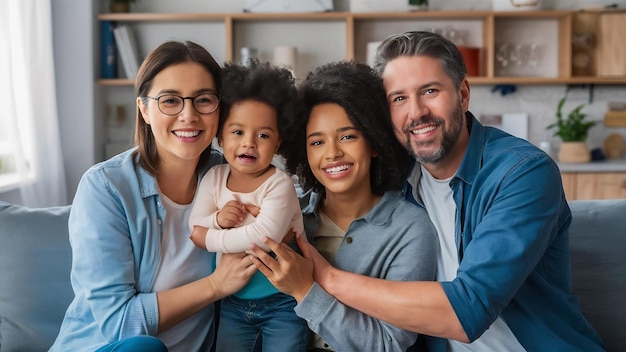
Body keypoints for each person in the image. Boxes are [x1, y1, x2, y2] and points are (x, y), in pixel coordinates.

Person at [253, 31, 607, 351]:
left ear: (463, 94)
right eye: (399, 98)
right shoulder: (398, 177)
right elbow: (330, 175)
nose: (416, 112)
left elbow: (468, 311)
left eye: (430, 91)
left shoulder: (522, 173)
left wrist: (324, 277)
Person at [50, 40, 257, 352]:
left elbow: (280, 199)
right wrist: (216, 285)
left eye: (203, 100)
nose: (188, 115)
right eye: (170, 101)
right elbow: (118, 324)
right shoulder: (105, 187)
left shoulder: (230, 177)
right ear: (144, 109)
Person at [248, 60, 438, 351]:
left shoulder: (410, 229)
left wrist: (304, 290)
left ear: (374, 143)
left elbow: (389, 344)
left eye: (347, 137)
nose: (333, 154)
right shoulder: (289, 214)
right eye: (317, 142)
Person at [188, 60, 309, 352]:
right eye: (237, 132)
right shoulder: (215, 177)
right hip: (232, 303)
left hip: (282, 302)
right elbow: (195, 226)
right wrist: (218, 219)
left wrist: (211, 236)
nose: (249, 143)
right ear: (219, 136)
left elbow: (262, 239)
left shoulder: (278, 184)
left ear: (278, 143)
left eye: (263, 135)